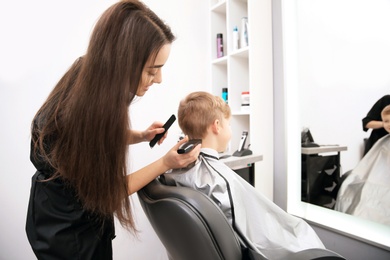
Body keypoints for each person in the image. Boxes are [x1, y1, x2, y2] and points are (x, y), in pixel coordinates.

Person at [25, 1, 201, 259]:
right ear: (124, 61)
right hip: (67, 232)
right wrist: (166, 162)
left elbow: (89, 139)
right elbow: (110, 190)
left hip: (60, 209)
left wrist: (141, 136)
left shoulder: (91, 75)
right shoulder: (88, 106)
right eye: (153, 70)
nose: (159, 79)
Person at [163, 91, 325, 260]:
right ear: (217, 126)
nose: (231, 129)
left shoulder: (176, 173)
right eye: (229, 124)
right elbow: (252, 240)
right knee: (302, 231)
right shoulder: (219, 182)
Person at [335, 105, 390, 225]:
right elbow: (366, 123)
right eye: (386, 120)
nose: (388, 123)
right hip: (377, 167)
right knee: (352, 185)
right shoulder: (386, 100)